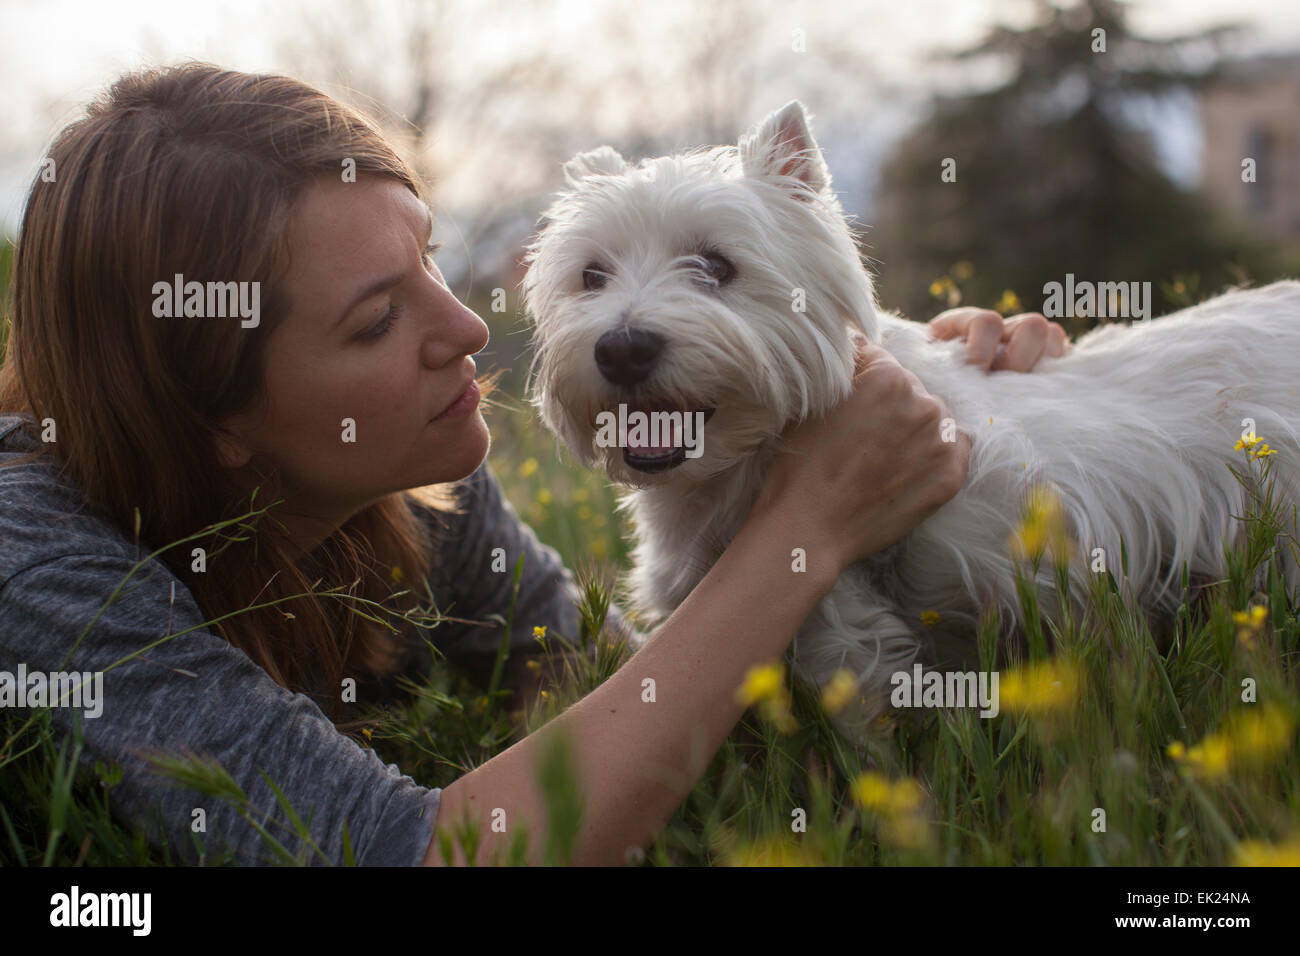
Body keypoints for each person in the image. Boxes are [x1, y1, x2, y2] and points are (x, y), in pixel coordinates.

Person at [0, 62, 1070, 867]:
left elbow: (610, 697)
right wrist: (807, 527)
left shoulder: (421, 496)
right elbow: (410, 852)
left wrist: (899, 377)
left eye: (427, 256)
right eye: (378, 319)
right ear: (208, 414)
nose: (466, 325)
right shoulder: (35, 570)